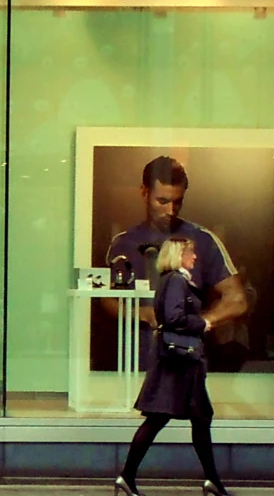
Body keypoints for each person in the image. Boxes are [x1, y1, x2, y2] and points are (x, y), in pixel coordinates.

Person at [114, 237, 236, 496]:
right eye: (191, 253)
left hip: (180, 362)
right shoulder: (177, 281)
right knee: (162, 419)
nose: (194, 258)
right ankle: (128, 475)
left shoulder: (173, 281)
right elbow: (173, 318)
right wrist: (202, 323)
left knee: (198, 419)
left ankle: (212, 481)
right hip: (178, 363)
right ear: (179, 255)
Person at [102, 155, 248, 369]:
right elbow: (105, 299)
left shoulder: (203, 239)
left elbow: (237, 299)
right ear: (144, 192)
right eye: (162, 201)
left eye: (177, 202)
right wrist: (139, 313)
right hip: (132, 367)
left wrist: (199, 323)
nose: (170, 210)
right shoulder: (123, 243)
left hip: (186, 363)